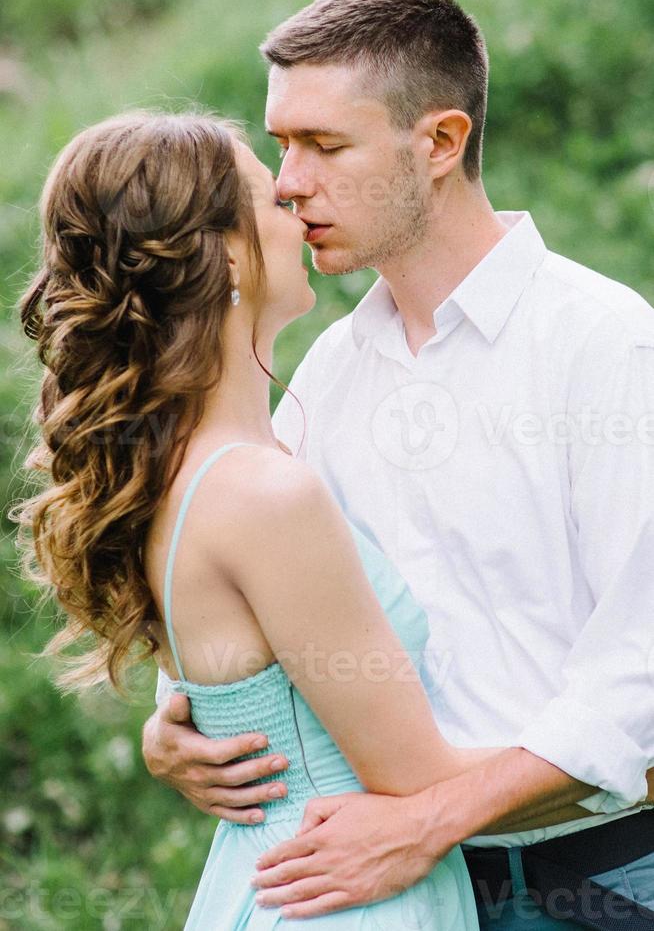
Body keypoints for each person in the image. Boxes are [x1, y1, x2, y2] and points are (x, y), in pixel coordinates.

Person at [146, 0, 654, 930]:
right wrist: (177, 720)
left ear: (440, 143)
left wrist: (426, 818)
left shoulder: (607, 347)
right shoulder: (329, 372)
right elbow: (275, 595)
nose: (290, 182)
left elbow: (642, 676)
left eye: (325, 145)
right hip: (405, 893)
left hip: (606, 889)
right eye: (281, 144)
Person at [14, 107, 540, 929]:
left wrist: (176, 724)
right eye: (269, 196)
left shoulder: (183, 468)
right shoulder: (265, 495)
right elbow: (423, 779)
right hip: (348, 893)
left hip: (273, 880)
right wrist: (626, 762)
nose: (297, 202)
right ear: (226, 252)